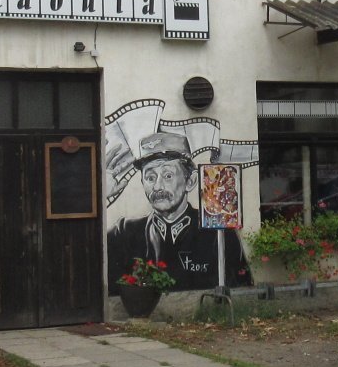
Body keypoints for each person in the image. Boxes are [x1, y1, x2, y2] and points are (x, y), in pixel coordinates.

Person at [104, 131, 251, 312]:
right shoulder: (124, 232)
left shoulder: (217, 233)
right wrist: (101, 197)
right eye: (150, 177)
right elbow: (86, 260)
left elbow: (242, 287)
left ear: (190, 181)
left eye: (167, 176)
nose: (157, 187)